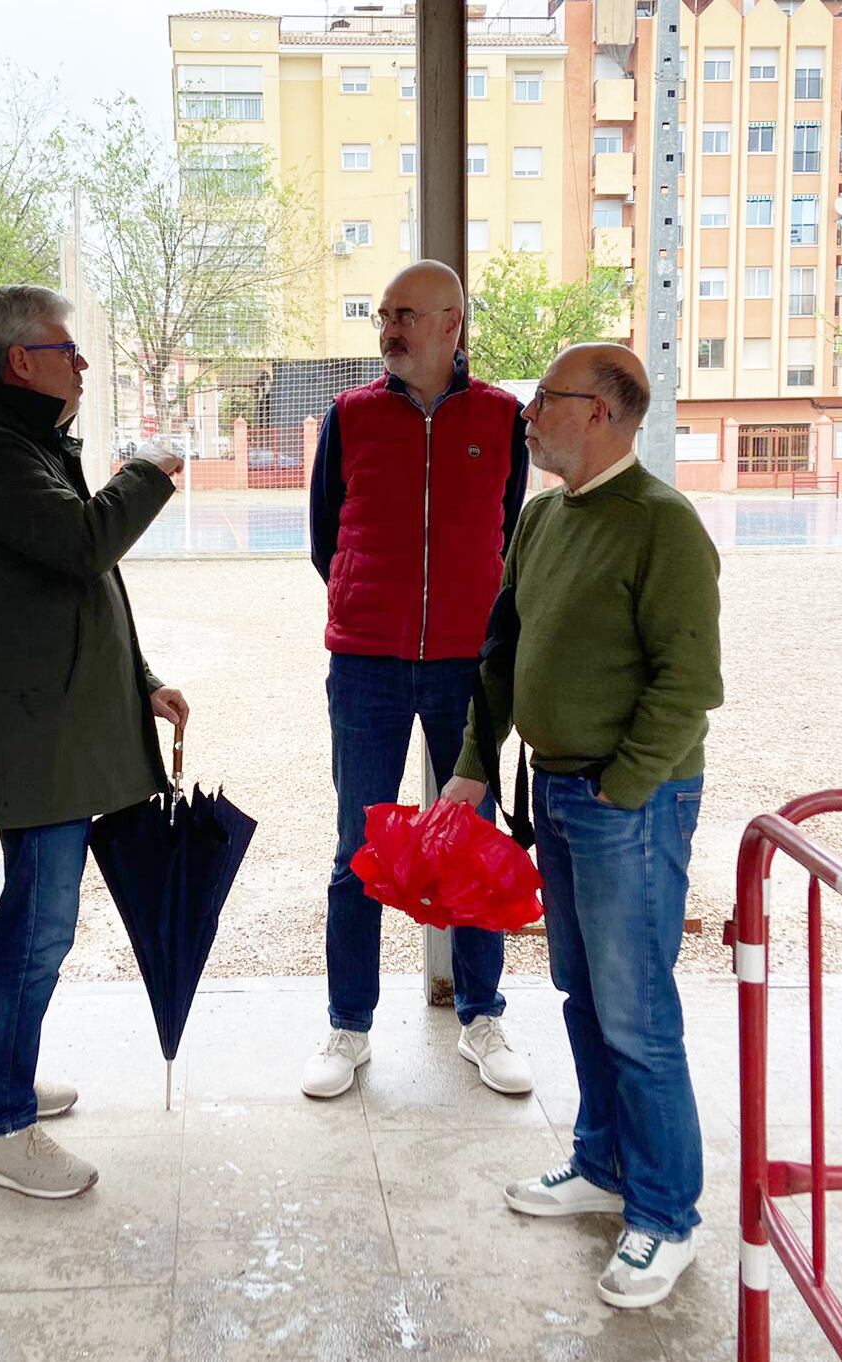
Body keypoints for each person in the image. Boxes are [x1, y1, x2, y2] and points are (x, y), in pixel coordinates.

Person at [443, 342, 724, 1309]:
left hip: (624, 807)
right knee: (580, 995)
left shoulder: (664, 526)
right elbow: (499, 650)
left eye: (544, 401)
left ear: (600, 413)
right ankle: (602, 1165)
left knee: (637, 1014)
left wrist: (625, 786)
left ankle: (666, 1217)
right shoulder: (543, 518)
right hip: (556, 795)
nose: (527, 415)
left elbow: (691, 684)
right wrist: (476, 766)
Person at [0, 284, 186, 1199]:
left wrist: (141, 683)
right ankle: (2, 1127)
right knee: (40, 926)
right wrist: (153, 472)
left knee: (27, 912)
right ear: (21, 361)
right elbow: (86, 544)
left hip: (45, 720)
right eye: (70, 350)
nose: (82, 365)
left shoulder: (13, 443)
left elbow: (74, 588)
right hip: (35, 732)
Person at [303, 259, 534, 1100]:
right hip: (364, 662)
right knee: (356, 845)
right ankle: (348, 1027)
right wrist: (374, 604)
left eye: (405, 314)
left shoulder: (504, 419)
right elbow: (326, 536)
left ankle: (481, 1017)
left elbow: (512, 534)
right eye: (383, 314)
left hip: (468, 666)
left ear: (452, 325)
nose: (389, 328)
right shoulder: (350, 415)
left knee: (471, 839)